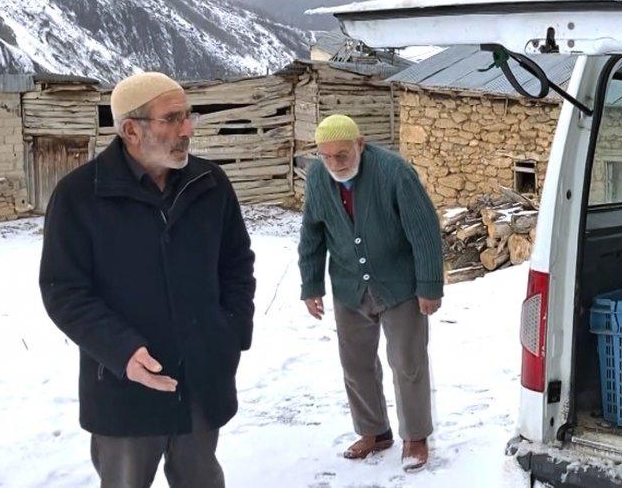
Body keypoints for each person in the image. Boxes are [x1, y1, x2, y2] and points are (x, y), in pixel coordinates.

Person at [39, 72, 256, 488]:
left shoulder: (210, 184)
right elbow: (63, 291)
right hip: (125, 391)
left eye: (188, 116)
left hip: (201, 380)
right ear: (130, 130)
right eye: (172, 119)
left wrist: (230, 333)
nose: (187, 129)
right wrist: (121, 352)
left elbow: (236, 265)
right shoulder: (79, 196)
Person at [298, 114, 443, 472]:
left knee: (407, 363)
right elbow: (312, 233)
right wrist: (311, 284)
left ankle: (415, 437)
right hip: (348, 286)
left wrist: (429, 286)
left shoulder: (395, 173)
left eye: (342, 155)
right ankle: (374, 433)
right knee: (356, 364)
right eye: (326, 156)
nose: (334, 164)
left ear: (360, 144)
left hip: (399, 285)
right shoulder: (318, 177)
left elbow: (424, 233)